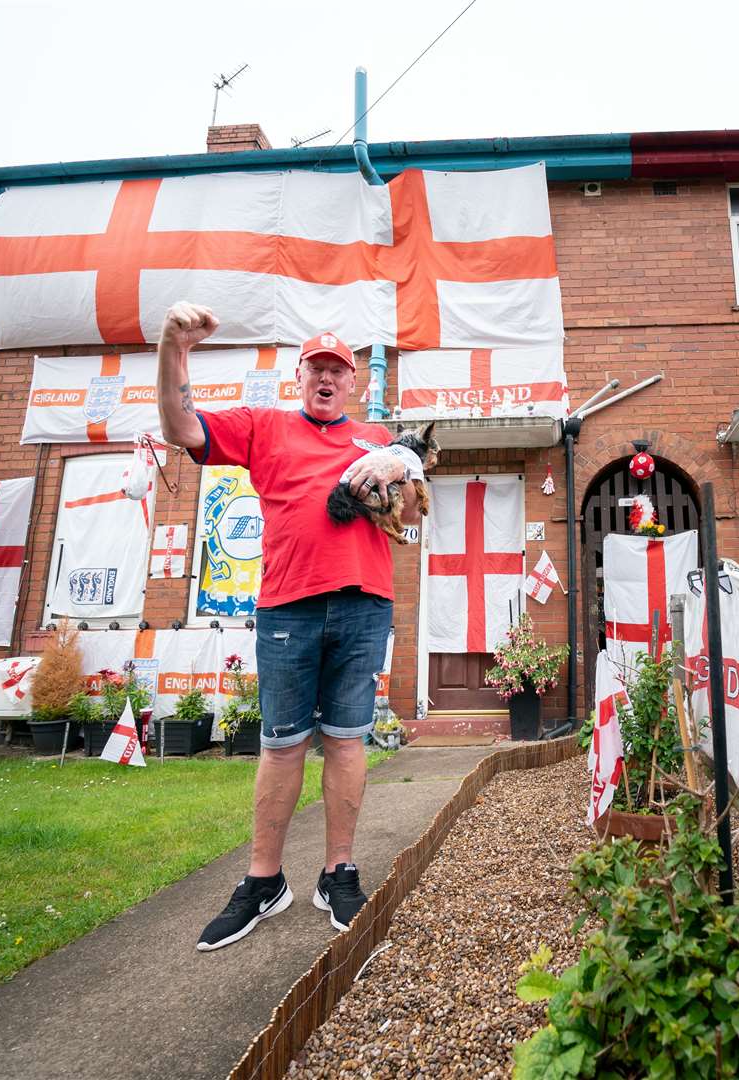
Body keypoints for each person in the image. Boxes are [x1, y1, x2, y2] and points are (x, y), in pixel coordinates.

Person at [154, 301, 419, 952]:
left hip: (363, 604)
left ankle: (339, 872)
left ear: (352, 383)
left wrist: (401, 467)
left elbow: (411, 516)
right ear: (298, 378)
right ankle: (263, 881)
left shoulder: (377, 440)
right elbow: (181, 427)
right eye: (315, 368)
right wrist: (173, 350)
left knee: (348, 739)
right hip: (287, 607)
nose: (327, 378)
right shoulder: (264, 427)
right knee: (281, 744)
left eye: (338, 370)